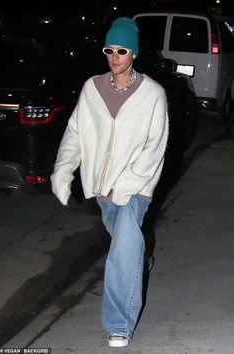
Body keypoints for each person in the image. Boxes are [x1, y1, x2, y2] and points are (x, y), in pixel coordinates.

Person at [51, 17, 169, 348]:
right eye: (109, 50)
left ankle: (119, 323)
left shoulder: (153, 95)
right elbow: (75, 133)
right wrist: (63, 170)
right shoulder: (92, 89)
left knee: (121, 250)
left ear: (133, 53)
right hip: (102, 190)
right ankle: (140, 260)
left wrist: (129, 184)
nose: (114, 56)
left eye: (121, 50)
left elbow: (154, 146)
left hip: (135, 189)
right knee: (127, 246)